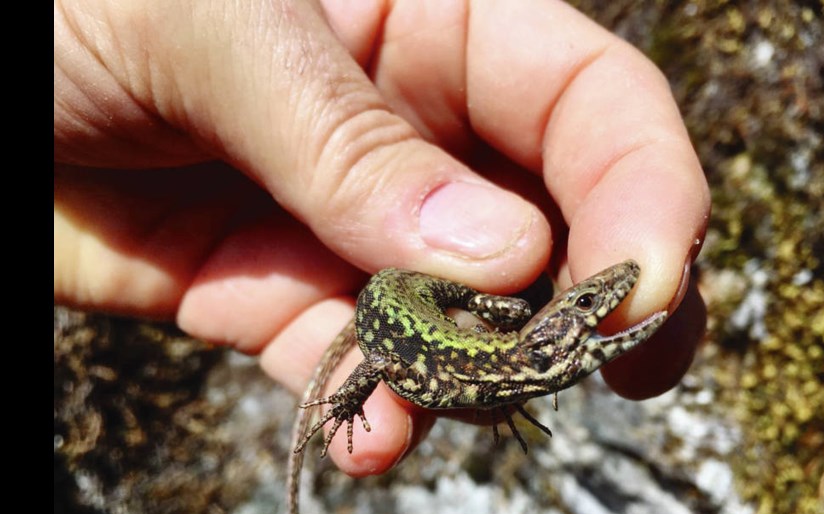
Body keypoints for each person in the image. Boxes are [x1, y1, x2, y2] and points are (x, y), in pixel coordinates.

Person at [54, 0, 710, 476]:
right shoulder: (452, 369)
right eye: (587, 318)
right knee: (503, 300)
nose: (597, 327)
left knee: (509, 310)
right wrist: (346, 399)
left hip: (433, 316)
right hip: (399, 298)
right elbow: (381, 361)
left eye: (586, 319)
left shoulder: (488, 373)